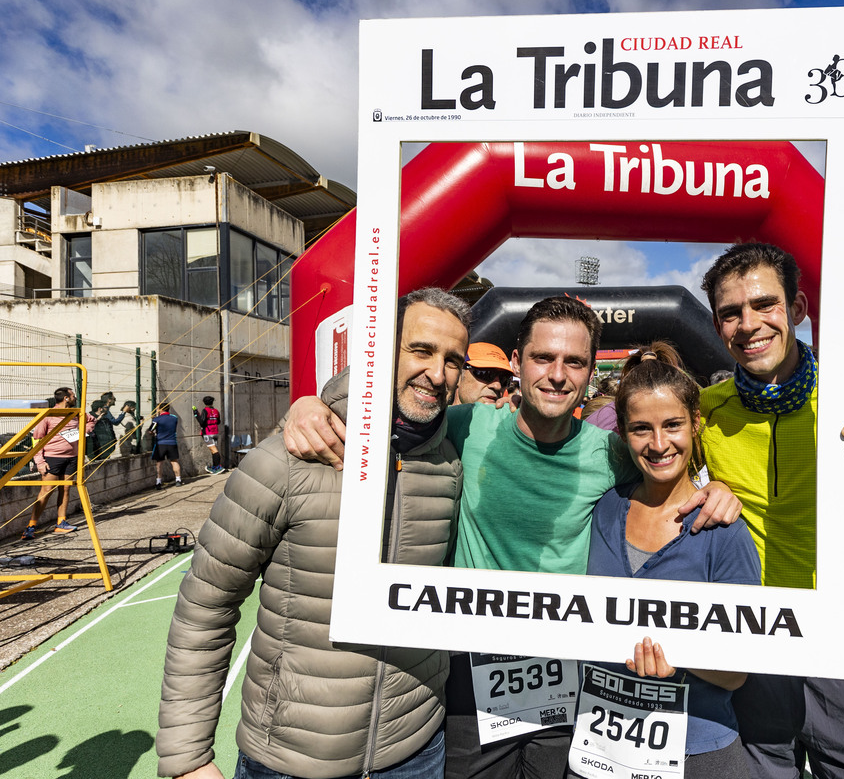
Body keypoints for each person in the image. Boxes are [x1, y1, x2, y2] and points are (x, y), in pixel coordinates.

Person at [282, 295, 742, 779]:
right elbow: (393, 412)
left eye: (575, 362)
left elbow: (665, 470)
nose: (558, 375)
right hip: (471, 672)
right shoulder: (466, 426)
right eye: (544, 358)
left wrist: (715, 488)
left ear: (588, 374)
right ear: (518, 363)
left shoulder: (610, 452)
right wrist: (313, 403)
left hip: (567, 674)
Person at [156, 287, 472, 779]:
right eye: (421, 350)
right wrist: (187, 758)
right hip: (290, 761)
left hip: (416, 752)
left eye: (454, 359)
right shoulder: (284, 458)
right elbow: (205, 604)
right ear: (379, 347)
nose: (438, 373)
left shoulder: (450, 463)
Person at [698, 242, 844, 779]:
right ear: (716, 326)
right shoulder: (705, 413)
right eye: (731, 313)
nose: (748, 324)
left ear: (797, 309)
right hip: (752, 642)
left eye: (764, 305)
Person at [578, 342, 759, 778]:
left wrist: (675, 649)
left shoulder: (724, 530)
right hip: (599, 748)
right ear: (621, 431)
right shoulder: (603, 509)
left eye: (673, 425)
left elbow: (737, 672)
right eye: (641, 429)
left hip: (697, 750)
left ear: (695, 425)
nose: (659, 444)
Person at [21, 386, 94, 539]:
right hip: (52, 458)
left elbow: (91, 420)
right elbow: (37, 438)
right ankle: (31, 525)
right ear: (66, 398)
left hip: (72, 458)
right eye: (73, 395)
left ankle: (61, 522)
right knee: (46, 491)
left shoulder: (76, 413)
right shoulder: (49, 415)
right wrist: (40, 462)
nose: (75, 397)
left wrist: (85, 430)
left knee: (66, 489)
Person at [148, 403, 183, 488]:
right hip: (172, 442)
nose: (156, 410)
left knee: (159, 462)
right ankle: (178, 480)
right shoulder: (174, 418)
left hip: (161, 443)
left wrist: (154, 421)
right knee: (174, 461)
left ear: (160, 409)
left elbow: (150, 430)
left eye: (157, 408)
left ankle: (159, 482)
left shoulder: (157, 419)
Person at [192, 396, 225, 474]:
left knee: (214, 450)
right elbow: (218, 421)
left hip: (207, 433)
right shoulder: (216, 411)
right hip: (215, 432)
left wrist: (196, 413)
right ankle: (214, 467)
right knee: (213, 450)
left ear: (204, 403)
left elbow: (202, 422)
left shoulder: (205, 410)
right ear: (212, 402)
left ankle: (218, 467)